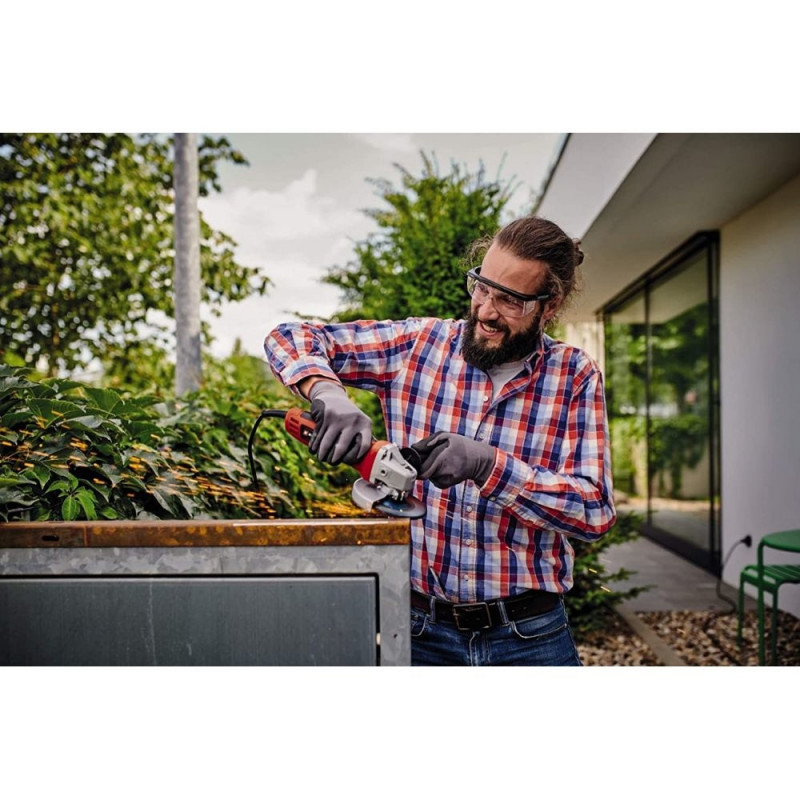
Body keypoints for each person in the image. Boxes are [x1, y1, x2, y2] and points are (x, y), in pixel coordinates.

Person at [264, 215, 616, 666]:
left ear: (549, 306)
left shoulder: (574, 375)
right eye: (482, 287)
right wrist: (325, 390)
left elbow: (594, 511)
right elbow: (288, 337)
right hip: (419, 631)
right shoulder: (418, 345)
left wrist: (490, 467)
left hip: (530, 636)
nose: (485, 311)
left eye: (510, 300)